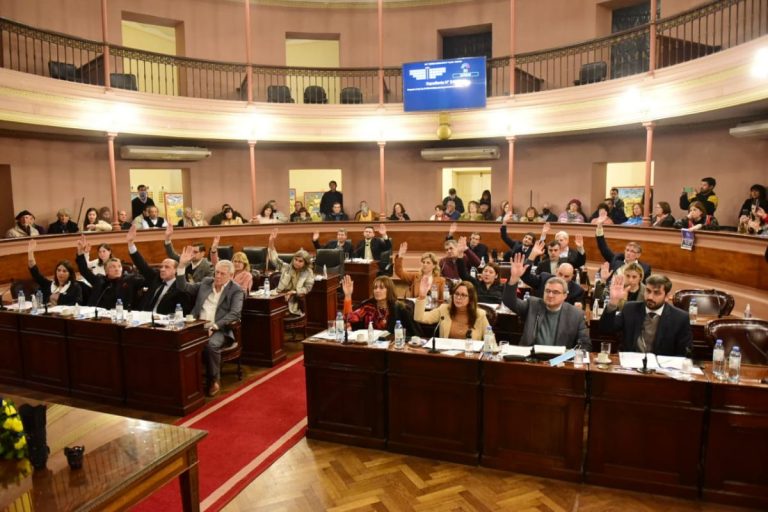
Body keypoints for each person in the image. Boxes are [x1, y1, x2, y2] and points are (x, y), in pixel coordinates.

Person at [175, 245, 244, 397]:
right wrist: (181, 266)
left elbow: (234, 313)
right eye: (217, 272)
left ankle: (214, 380)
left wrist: (215, 325)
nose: (218, 276)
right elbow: (183, 287)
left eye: (222, 274)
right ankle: (185, 381)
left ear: (231, 276)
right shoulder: (207, 282)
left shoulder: (236, 290)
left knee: (211, 345)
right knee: (179, 342)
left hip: (220, 328)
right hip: (197, 325)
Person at [503, 253, 591, 350]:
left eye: (556, 292)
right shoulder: (533, 304)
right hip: (531, 358)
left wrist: (566, 357)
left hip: (559, 361)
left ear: (565, 295)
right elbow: (509, 301)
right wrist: (514, 278)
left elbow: (585, 345)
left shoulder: (576, 314)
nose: (550, 295)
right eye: (547, 291)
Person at [599, 273, 691, 356]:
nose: (650, 297)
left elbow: (684, 353)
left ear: (666, 297)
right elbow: (606, 329)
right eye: (648, 291)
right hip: (630, 365)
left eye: (657, 293)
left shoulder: (680, 318)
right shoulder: (630, 309)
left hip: (661, 370)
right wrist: (613, 302)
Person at [125, 225, 191, 315]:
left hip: (163, 323)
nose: (162, 269)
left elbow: (183, 311)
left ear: (176, 270)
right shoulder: (156, 278)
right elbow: (142, 265)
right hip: (142, 318)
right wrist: (131, 243)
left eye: (167, 267)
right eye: (161, 267)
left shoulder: (180, 287)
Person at [75, 234, 142, 309]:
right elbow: (84, 270)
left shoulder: (128, 280)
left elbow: (145, 275)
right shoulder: (99, 280)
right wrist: (80, 253)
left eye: (119, 266)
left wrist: (131, 244)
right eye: (113, 267)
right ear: (106, 271)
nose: (117, 269)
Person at [341, 274, 419, 337]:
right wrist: (348, 295)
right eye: (375, 288)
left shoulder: (401, 308)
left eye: (381, 288)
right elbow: (349, 318)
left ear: (389, 290)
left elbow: (414, 333)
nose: (377, 290)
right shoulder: (368, 307)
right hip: (370, 347)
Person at [415, 278, 489, 341]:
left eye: (463, 295)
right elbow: (420, 318)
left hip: (470, 355)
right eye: (456, 294)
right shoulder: (444, 309)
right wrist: (422, 296)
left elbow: (491, 341)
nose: (458, 298)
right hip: (446, 355)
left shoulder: (480, 315)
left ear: (471, 299)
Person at [520, 241, 584, 306]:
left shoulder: (577, 291)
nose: (562, 278)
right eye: (560, 274)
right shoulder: (544, 279)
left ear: (572, 277)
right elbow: (525, 276)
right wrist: (532, 255)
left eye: (566, 276)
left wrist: (578, 309)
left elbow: (578, 311)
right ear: (556, 271)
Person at [267, 229, 314, 315]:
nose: (297, 262)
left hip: (294, 300)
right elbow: (274, 259)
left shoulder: (308, 272)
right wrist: (271, 242)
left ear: (305, 263)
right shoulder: (287, 267)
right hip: (280, 296)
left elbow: (307, 288)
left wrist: (295, 292)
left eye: (300, 261)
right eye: (295, 259)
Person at [26, 239, 83, 306]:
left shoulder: (75, 287)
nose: (61, 273)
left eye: (64, 271)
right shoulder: (48, 284)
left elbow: (78, 303)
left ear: (70, 274)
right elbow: (34, 272)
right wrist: (30, 252)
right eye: (58, 270)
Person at [455, 239, 503, 304]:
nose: (487, 274)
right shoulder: (476, 284)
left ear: (496, 275)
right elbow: (463, 274)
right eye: (485, 271)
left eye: (491, 272)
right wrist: (460, 254)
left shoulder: (502, 287)